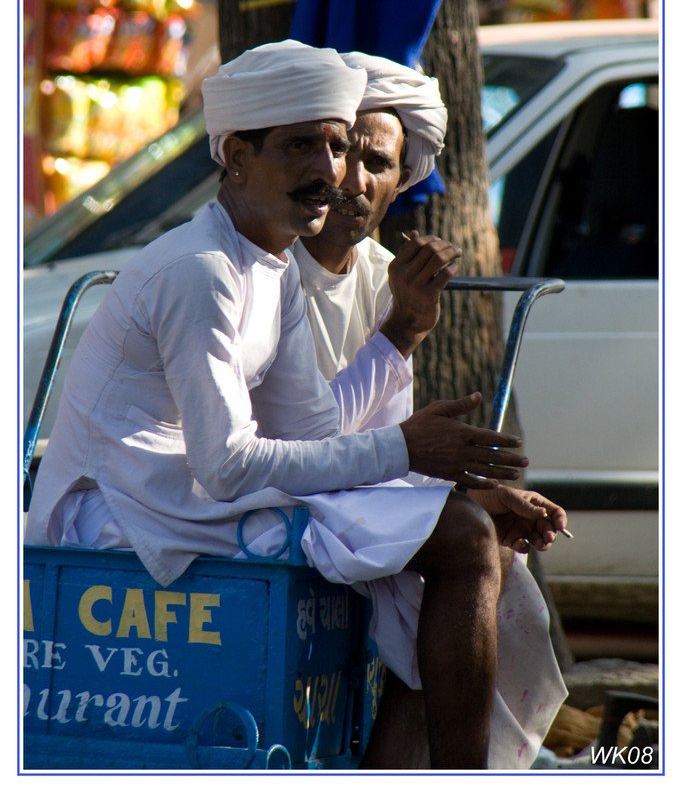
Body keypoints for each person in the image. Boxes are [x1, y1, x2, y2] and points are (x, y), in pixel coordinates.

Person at [25, 40, 567, 771]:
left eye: (339, 148)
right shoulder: (202, 271)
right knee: (461, 540)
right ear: (237, 159)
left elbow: (314, 432)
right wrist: (409, 456)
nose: (329, 173)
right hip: (129, 509)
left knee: (470, 531)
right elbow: (225, 466)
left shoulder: (270, 262)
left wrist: (445, 477)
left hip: (198, 494)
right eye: (301, 147)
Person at [293, 51, 568, 769]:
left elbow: (381, 440)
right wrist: (404, 332)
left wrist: (470, 489)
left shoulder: (387, 273)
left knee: (480, 546)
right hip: (256, 485)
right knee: (466, 544)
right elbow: (303, 442)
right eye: (341, 152)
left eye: (378, 165)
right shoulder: (267, 263)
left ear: (398, 187)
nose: (354, 181)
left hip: (333, 487)